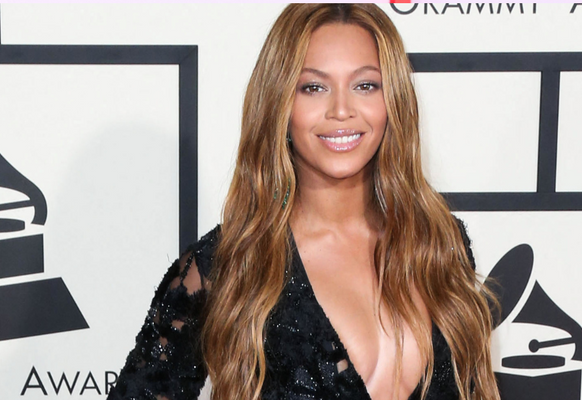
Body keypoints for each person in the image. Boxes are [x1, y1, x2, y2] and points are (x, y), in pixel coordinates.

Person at [108, 4, 499, 400]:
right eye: (314, 87)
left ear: (393, 100)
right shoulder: (229, 262)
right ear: (280, 103)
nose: (342, 110)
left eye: (366, 85)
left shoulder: (439, 243)